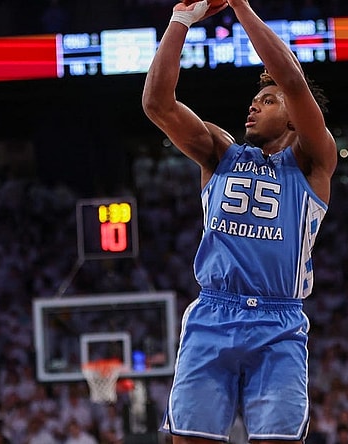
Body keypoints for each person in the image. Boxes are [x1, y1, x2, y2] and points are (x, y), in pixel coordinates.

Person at [142, 0, 337, 442]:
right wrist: (180, 21)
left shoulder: (312, 162)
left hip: (279, 322)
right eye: (253, 100)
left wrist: (240, 6)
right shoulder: (220, 152)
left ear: (293, 115)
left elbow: (292, 80)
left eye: (267, 101)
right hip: (213, 312)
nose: (253, 107)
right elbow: (157, 104)